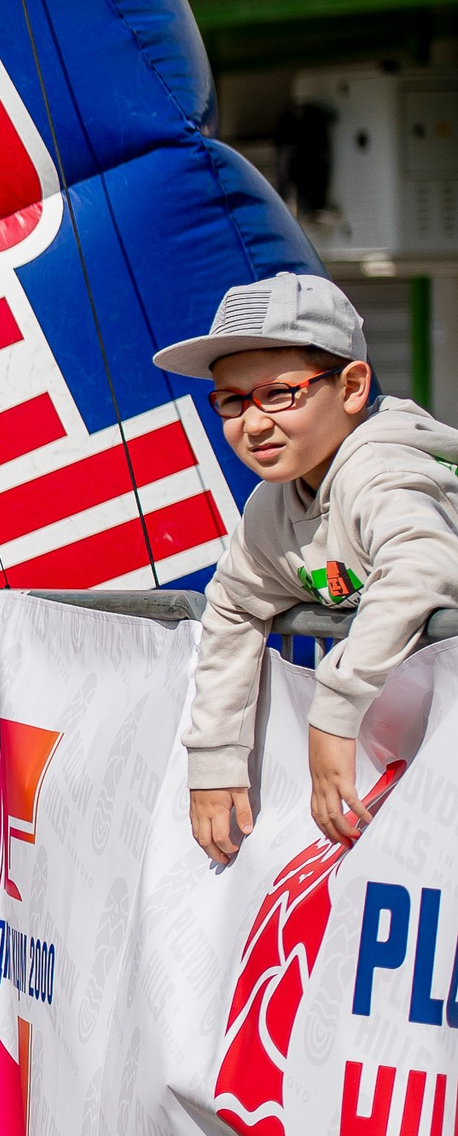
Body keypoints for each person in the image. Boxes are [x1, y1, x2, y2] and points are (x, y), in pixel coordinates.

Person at [157, 272, 458, 865]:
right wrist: (216, 759)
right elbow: (234, 604)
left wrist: (335, 709)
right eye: (233, 400)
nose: (254, 422)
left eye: (278, 393)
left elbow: (423, 566)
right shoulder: (277, 501)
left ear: (351, 387)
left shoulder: (380, 469)